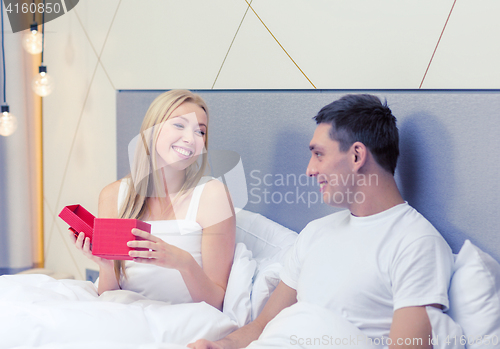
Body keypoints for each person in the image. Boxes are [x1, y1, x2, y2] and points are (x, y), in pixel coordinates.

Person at [189, 94, 454, 348]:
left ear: (356, 156)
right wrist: (221, 346)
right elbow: (262, 327)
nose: (309, 170)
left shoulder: (416, 243)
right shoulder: (316, 232)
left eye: (319, 154)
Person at [71, 89, 236, 310]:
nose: (191, 138)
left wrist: (183, 262)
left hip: (185, 320)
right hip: (126, 315)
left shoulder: (213, 195)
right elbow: (109, 297)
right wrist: (106, 265)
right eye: (179, 125)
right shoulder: (113, 196)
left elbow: (216, 302)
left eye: (200, 132)